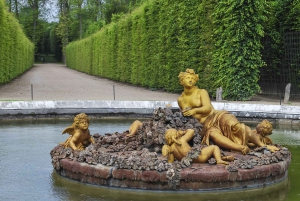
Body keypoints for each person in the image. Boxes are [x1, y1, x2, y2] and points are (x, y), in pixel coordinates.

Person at [177, 68, 279, 154]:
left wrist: (194, 111)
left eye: (192, 78)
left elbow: (207, 108)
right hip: (205, 125)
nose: (190, 80)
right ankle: (240, 148)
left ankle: (263, 146)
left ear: (195, 80)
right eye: (187, 78)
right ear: (182, 81)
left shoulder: (201, 92)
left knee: (236, 126)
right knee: (213, 135)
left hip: (216, 116)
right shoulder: (180, 100)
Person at [162, 128, 234, 164]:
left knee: (205, 151)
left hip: (193, 161)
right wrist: (182, 132)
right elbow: (191, 131)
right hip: (200, 157)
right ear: (176, 134)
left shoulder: (171, 149)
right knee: (214, 147)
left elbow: (170, 161)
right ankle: (219, 160)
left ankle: (225, 158)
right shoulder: (182, 140)